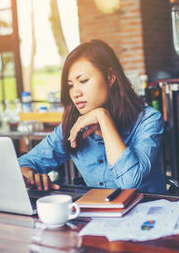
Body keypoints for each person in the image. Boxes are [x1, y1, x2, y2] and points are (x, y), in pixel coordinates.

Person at [19, 40, 167, 194]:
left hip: (148, 212)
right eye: (70, 85)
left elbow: (130, 182)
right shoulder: (72, 126)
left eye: (83, 81)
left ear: (110, 77)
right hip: (99, 214)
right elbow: (23, 163)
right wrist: (28, 174)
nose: (76, 93)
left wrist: (103, 117)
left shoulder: (148, 120)